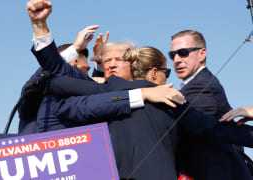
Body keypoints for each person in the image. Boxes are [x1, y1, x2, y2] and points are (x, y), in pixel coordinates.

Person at [26, 1, 253, 179]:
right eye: (107, 61)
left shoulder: (161, 96)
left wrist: (41, 27)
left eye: (117, 60)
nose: (111, 65)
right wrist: (41, 27)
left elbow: (214, 129)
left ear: (132, 64)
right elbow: (51, 70)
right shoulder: (110, 92)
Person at [169, 30, 251, 180]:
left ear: (202, 54)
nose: (176, 59)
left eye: (183, 52)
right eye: (172, 55)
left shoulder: (201, 86)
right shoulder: (197, 84)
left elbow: (194, 127)